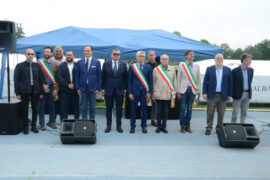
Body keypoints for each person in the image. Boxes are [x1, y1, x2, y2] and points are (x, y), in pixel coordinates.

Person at [14, 48, 43, 134]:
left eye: (32, 54)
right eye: (28, 54)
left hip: (36, 91)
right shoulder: (19, 66)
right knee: (25, 109)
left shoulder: (37, 66)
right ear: (25, 55)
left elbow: (40, 80)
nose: (30, 55)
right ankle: (25, 127)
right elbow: (16, 80)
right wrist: (17, 92)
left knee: (35, 109)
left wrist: (41, 92)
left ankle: (33, 126)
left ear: (34, 55)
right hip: (24, 91)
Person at [203, 53, 233, 135]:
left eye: (221, 58)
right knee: (210, 112)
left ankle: (219, 128)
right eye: (218, 58)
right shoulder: (209, 69)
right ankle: (209, 127)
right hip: (211, 95)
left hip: (223, 96)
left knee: (221, 113)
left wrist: (230, 94)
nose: (219, 59)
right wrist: (204, 92)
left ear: (223, 59)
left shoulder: (228, 70)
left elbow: (230, 83)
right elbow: (205, 82)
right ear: (215, 59)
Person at [102, 49, 128, 133]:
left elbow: (125, 78)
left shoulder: (123, 64)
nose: (116, 55)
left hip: (120, 90)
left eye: (118, 54)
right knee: (108, 109)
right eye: (114, 54)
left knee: (119, 109)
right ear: (111, 54)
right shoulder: (106, 64)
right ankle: (108, 126)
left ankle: (118, 126)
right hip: (108, 90)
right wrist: (103, 89)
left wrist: (125, 89)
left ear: (120, 55)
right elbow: (103, 77)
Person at [176, 50, 201, 133]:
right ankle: (182, 126)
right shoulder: (181, 65)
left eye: (193, 54)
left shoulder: (197, 66)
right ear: (186, 56)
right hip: (183, 90)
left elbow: (198, 80)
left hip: (192, 91)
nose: (192, 56)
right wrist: (178, 91)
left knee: (190, 109)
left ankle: (188, 125)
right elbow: (178, 79)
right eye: (190, 54)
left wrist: (198, 92)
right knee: (182, 108)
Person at [128, 51, 152, 134]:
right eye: (140, 56)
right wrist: (130, 92)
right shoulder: (132, 67)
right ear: (136, 57)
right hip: (134, 92)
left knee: (144, 111)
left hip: (144, 93)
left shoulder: (148, 67)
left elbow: (150, 81)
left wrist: (150, 92)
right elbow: (129, 81)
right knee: (133, 111)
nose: (142, 58)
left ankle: (144, 126)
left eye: (143, 56)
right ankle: (132, 126)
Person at [75, 45, 101, 120]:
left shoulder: (97, 62)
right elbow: (77, 77)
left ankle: (91, 125)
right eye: (85, 51)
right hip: (83, 89)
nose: (86, 52)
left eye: (88, 50)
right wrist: (77, 88)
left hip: (93, 89)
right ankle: (84, 124)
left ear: (92, 51)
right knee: (83, 108)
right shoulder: (79, 62)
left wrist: (98, 89)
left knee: (92, 108)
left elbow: (99, 76)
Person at [152, 54, 177, 133]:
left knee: (166, 112)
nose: (165, 60)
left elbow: (174, 82)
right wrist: (153, 94)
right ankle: (158, 126)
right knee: (158, 111)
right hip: (158, 94)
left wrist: (174, 93)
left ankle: (164, 126)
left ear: (168, 60)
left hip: (168, 94)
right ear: (160, 60)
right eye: (163, 59)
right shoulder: (156, 69)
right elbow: (153, 82)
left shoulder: (172, 69)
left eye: (166, 59)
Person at [38, 46, 59, 130]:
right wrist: (42, 86)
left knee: (52, 106)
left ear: (51, 53)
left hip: (52, 88)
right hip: (42, 88)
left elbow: (57, 79)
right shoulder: (39, 64)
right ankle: (42, 124)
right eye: (45, 52)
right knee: (41, 107)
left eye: (48, 52)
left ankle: (52, 122)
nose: (46, 53)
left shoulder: (56, 64)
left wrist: (56, 89)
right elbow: (37, 77)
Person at [57, 50, 80, 120]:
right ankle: (63, 122)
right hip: (65, 90)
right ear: (65, 56)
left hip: (75, 90)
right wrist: (68, 85)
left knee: (76, 107)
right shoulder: (61, 66)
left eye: (70, 55)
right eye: (67, 55)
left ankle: (77, 122)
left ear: (73, 56)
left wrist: (74, 85)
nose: (69, 56)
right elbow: (59, 77)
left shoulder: (78, 65)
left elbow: (80, 76)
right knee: (64, 107)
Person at [231, 54, 254, 124]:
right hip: (237, 94)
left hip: (247, 94)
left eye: (250, 60)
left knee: (244, 112)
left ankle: (242, 126)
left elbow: (250, 82)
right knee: (235, 112)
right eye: (249, 60)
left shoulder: (251, 70)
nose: (250, 62)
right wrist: (232, 94)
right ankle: (233, 126)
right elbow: (232, 83)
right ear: (244, 60)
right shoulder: (235, 71)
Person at [147, 50, 158, 126]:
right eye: (150, 55)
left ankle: (153, 120)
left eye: (153, 55)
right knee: (144, 105)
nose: (152, 56)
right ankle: (144, 119)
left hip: (154, 88)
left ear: (155, 56)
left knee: (154, 105)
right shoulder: (145, 65)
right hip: (146, 88)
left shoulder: (157, 66)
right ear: (148, 56)